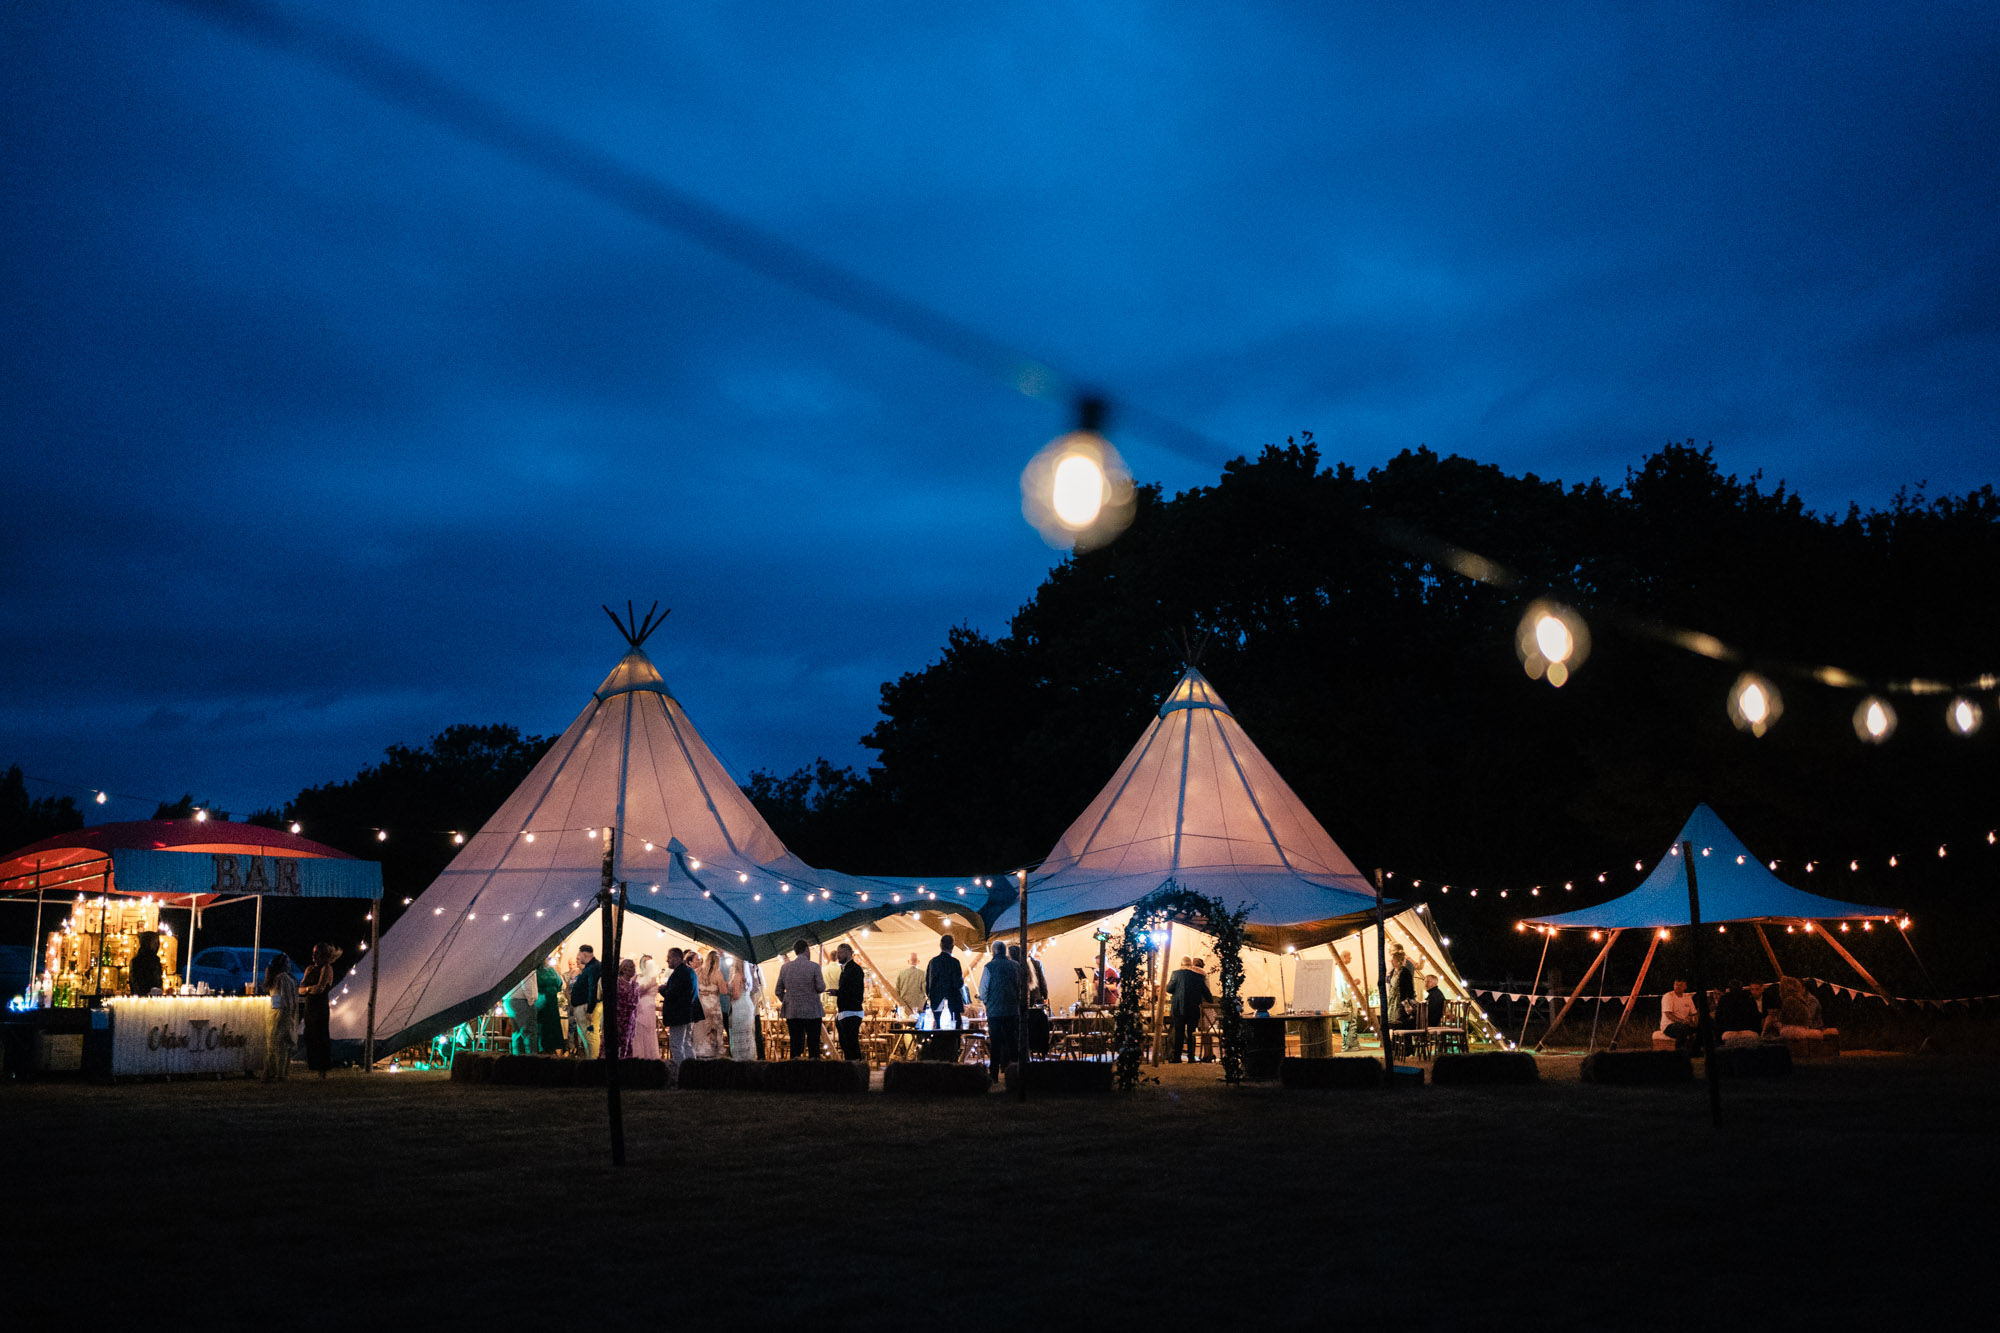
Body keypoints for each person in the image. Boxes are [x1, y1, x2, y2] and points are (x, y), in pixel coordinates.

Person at [775, 939, 825, 1059]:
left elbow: (778, 991)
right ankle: (813, 1069)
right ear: (807, 949)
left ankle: (795, 1069)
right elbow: (820, 987)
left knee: (795, 1045)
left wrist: (788, 1001)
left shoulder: (785, 968)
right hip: (812, 1012)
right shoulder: (814, 967)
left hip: (793, 1012)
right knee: (813, 1045)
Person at [299, 943, 341, 1078]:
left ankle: (323, 1068)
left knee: (320, 1034)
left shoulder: (327, 968)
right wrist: (309, 989)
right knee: (309, 1034)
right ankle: (314, 1065)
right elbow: (300, 989)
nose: (313, 956)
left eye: (316, 953)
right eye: (313, 953)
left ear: (323, 955)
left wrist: (308, 989)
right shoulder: (309, 969)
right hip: (309, 1005)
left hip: (320, 1005)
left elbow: (320, 988)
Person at [980, 942, 1021, 1081]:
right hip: (1012, 1010)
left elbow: (983, 989)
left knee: (995, 1044)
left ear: (994, 951)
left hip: (994, 1011)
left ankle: (994, 1075)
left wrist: (987, 1002)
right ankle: (1015, 1073)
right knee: (1012, 1042)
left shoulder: (989, 967)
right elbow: (1020, 986)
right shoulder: (1015, 966)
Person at [660, 947, 701, 1070]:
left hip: (679, 1014)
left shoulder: (679, 973)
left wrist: (662, 989)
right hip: (689, 1013)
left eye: (669, 957)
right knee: (687, 1043)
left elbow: (672, 993)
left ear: (678, 958)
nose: (667, 960)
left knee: (676, 1045)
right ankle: (691, 1069)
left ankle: (680, 1071)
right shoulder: (689, 971)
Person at [1166, 956, 1212, 1063]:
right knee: (1192, 1032)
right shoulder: (1199, 976)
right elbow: (1207, 994)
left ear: (1181, 964)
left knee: (1179, 1033)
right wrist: (1209, 1000)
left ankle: (1177, 1057)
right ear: (1191, 965)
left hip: (1178, 1008)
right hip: (1193, 1008)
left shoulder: (1175, 974)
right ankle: (1191, 1057)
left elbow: (1169, 989)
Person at [263, 954, 298, 1080]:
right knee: (282, 1043)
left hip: (274, 1012)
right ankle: (280, 1072)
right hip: (283, 1012)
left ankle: (270, 1071)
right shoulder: (283, 978)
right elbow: (286, 998)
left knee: (273, 1042)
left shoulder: (274, 978)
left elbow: (276, 998)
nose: (289, 965)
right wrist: (289, 1012)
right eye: (287, 962)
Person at [832, 943, 866, 1061]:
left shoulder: (854, 969)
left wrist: (837, 992)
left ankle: (855, 1067)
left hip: (851, 1012)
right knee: (847, 1044)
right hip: (846, 1012)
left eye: (840, 953)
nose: (838, 955)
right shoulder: (846, 969)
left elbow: (852, 991)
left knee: (850, 1044)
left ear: (848, 953)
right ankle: (852, 1066)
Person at [567, 944, 602, 1058]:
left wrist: (590, 1009)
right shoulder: (591, 966)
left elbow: (593, 988)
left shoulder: (593, 967)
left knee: (591, 1036)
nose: (578, 957)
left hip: (587, 1007)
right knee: (587, 1037)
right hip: (584, 1005)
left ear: (584, 954)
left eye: (579, 954)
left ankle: (593, 1061)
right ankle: (589, 1058)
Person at [724, 954, 759, 1060]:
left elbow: (736, 995)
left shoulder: (737, 976)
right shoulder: (747, 976)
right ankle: (749, 1056)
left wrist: (727, 991)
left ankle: (740, 1058)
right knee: (747, 1033)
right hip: (748, 1004)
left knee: (738, 1033)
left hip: (739, 1006)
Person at [630, 956, 662, 1061]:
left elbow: (640, 989)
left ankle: (649, 1059)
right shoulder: (637, 976)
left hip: (646, 1009)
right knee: (637, 1035)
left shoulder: (652, 977)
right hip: (636, 1010)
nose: (645, 964)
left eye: (647, 962)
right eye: (643, 962)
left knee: (647, 1035)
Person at [534, 952, 566, 1054]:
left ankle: (542, 1051)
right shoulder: (553, 971)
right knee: (554, 1029)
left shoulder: (536, 973)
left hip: (541, 1004)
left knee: (542, 1029)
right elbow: (560, 984)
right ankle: (555, 1053)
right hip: (552, 1004)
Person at [696, 950, 725, 1057]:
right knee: (714, 1030)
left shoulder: (698, 972)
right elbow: (723, 991)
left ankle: (700, 1052)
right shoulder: (717, 974)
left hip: (702, 1006)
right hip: (713, 1007)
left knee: (702, 1030)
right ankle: (712, 1054)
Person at [505, 966, 539, 1055]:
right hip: (522, 1000)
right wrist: (531, 1000)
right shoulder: (527, 963)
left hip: (509, 999)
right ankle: (530, 1060)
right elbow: (527, 982)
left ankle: (517, 1059)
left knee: (517, 1033)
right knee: (529, 1033)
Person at [1659, 978, 1699, 1053]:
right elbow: (1668, 1014)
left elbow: (1694, 1013)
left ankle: (1697, 1051)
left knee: (1701, 1027)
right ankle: (1679, 1052)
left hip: (1684, 1024)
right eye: (1676, 984)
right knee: (1683, 1029)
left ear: (1685, 987)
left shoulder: (1687, 997)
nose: (1678, 987)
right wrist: (1682, 1021)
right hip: (1669, 1025)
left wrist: (1695, 1023)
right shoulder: (1668, 996)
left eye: (1680, 985)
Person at [615, 958, 640, 1059]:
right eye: (631, 968)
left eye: (634, 967)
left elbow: (636, 1002)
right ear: (624, 969)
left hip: (631, 1019)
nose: (634, 970)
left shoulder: (635, 985)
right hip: (619, 1018)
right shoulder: (617, 983)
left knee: (628, 1043)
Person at [1337, 951, 1362, 1051]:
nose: (1351, 958)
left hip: (1346, 999)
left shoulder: (1339, 969)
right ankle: (1349, 1046)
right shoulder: (1341, 969)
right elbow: (1346, 985)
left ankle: (1350, 1044)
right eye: (1349, 956)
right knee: (1350, 1023)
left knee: (1349, 1023)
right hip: (1348, 999)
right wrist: (1355, 982)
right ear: (1344, 957)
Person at [128, 931, 164, 996]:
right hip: (147, 998)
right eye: (155, 943)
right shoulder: (153, 961)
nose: (157, 945)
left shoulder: (135, 961)